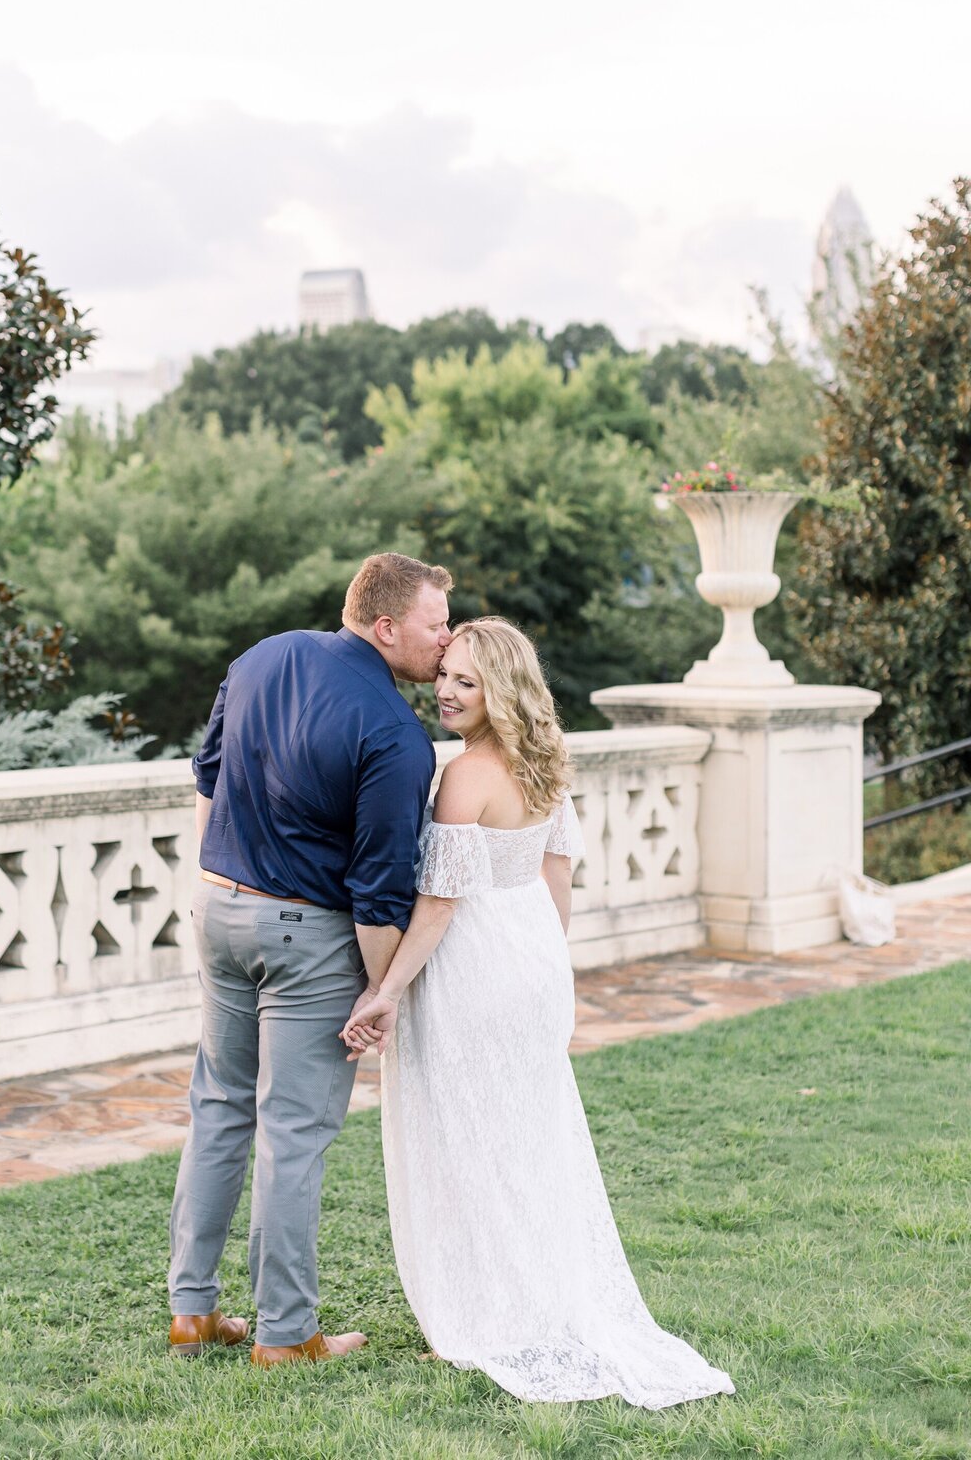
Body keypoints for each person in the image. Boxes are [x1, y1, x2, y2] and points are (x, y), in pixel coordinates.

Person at [341, 617, 735, 1408]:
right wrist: (554, 972)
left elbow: (440, 906)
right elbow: (557, 880)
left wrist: (385, 991)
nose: (446, 692)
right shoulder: (548, 759)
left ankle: (476, 1319)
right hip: (532, 958)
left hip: (474, 968)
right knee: (523, 1142)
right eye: (445, 673)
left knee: (462, 1143)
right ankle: (525, 1302)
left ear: (502, 690)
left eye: (466, 682)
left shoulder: (464, 776)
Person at [167, 552, 453, 1366]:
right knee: (292, 1131)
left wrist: (225, 878)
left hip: (217, 909)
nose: (447, 641)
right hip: (309, 936)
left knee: (218, 1106)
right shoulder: (397, 733)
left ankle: (192, 1313)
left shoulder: (260, 658)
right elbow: (377, 889)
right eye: (436, 626)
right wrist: (382, 991)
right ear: (387, 625)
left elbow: (207, 778)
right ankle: (287, 1334)